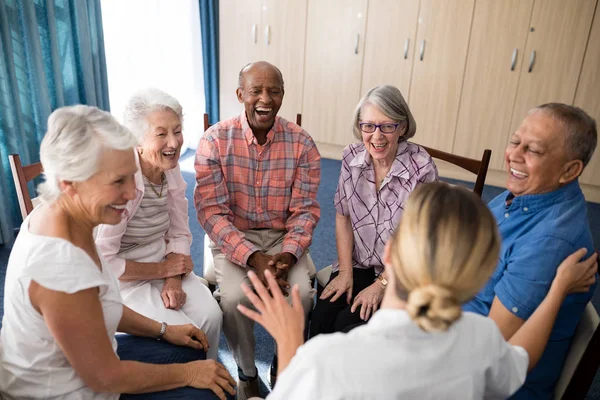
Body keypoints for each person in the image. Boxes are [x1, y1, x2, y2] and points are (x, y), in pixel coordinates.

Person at [238, 182, 598, 399]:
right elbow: (519, 361)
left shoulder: (324, 361)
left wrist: (288, 346)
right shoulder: (482, 339)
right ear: (478, 276)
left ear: (389, 253)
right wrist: (556, 292)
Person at [0, 105, 235, 400]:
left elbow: (99, 305)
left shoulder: (62, 216)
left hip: (88, 365)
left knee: (192, 348)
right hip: (69, 390)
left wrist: (163, 330)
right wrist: (189, 374)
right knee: (212, 391)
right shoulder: (60, 267)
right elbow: (105, 377)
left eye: (130, 177)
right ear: (69, 184)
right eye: (118, 182)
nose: (131, 193)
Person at [194, 61, 320, 399]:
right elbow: (212, 213)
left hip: (283, 239)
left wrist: (289, 254)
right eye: (256, 91)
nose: (265, 99)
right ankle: (248, 372)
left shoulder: (302, 144)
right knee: (234, 299)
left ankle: (285, 360)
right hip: (235, 237)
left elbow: (305, 211)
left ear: (283, 95)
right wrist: (253, 258)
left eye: (274, 91)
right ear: (240, 95)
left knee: (303, 296)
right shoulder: (215, 141)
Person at [463, 103, 598, 399]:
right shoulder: (522, 195)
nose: (514, 154)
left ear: (570, 170)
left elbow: (487, 350)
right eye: (515, 142)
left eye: (533, 150)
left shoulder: (549, 242)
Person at [95, 88, 222, 360]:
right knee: (183, 333)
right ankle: (188, 380)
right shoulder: (121, 183)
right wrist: (162, 268)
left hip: (164, 263)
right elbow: (104, 260)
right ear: (136, 141)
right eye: (161, 134)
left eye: (177, 131)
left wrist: (172, 278)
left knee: (211, 315)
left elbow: (179, 230)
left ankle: (209, 377)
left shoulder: (169, 167)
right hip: (125, 279)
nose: (174, 143)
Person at [310, 84, 438, 336]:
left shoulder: (421, 168)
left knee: (348, 325)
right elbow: (343, 216)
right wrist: (345, 271)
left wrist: (382, 284)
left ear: (402, 127)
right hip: (358, 262)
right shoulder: (351, 157)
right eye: (368, 125)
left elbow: (420, 241)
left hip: (401, 272)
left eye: (387, 126)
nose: (376, 136)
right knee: (323, 315)